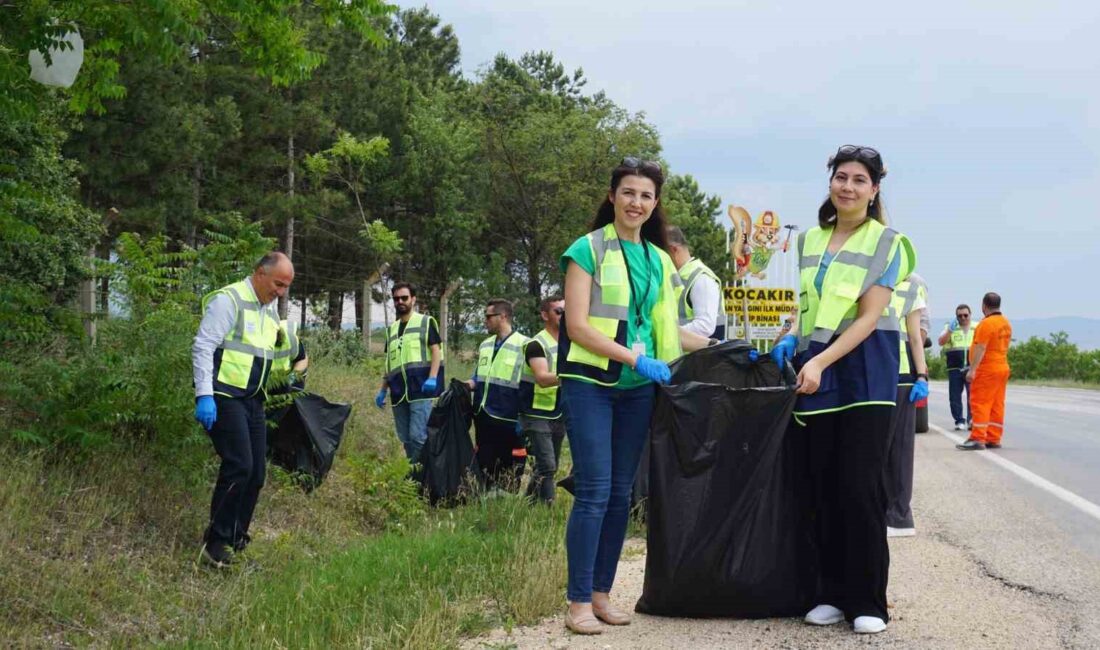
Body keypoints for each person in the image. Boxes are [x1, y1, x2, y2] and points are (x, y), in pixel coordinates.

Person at [558, 157, 711, 635]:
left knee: (623, 495)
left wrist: (723, 350)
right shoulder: (587, 249)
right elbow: (578, 326)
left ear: (655, 203)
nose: (636, 203)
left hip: (638, 390)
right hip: (590, 385)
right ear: (612, 196)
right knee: (594, 491)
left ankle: (602, 594)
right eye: (628, 192)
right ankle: (577, 600)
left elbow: (667, 330)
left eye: (646, 195)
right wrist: (632, 358)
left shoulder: (660, 259)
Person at [771, 145, 912, 635]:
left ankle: (868, 600)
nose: (847, 187)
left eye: (859, 180)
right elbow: (808, 306)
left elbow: (870, 316)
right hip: (815, 371)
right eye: (841, 177)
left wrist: (819, 361)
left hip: (865, 374)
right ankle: (829, 593)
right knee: (820, 485)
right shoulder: (810, 240)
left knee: (859, 488)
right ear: (830, 182)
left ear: (874, 191)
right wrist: (792, 336)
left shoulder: (888, 241)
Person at [192, 252, 294, 567]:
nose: (281, 292)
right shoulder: (229, 300)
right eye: (278, 284)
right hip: (224, 395)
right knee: (239, 465)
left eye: (286, 287)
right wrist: (204, 395)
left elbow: (267, 354)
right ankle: (215, 543)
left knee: (257, 473)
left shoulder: (269, 311)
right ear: (259, 274)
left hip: (253, 399)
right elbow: (204, 345)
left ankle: (236, 541)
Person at [375, 282, 444, 463]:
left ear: (413, 299)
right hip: (398, 392)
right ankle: (412, 474)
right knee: (405, 437)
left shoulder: (425, 322)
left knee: (418, 436)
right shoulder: (391, 330)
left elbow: (436, 350)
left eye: (404, 298)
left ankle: (422, 477)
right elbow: (389, 363)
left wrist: (432, 378)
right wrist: (383, 390)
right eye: (396, 299)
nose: (400, 302)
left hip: (420, 389)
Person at [466, 299, 529, 491]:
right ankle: (485, 494)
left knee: (509, 461)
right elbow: (479, 376)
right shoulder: (485, 345)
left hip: (508, 416)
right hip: (483, 413)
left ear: (503, 316)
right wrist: (466, 385)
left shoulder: (524, 344)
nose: (485, 320)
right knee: (485, 458)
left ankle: (506, 497)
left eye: (488, 316)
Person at [885, 270, 929, 537]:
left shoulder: (913, 286)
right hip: (874, 374)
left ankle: (900, 517)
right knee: (878, 447)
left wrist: (922, 374)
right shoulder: (867, 278)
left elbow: (916, 337)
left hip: (899, 375)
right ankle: (882, 512)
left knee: (899, 448)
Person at [519, 295, 567, 505]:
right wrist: (572, 377)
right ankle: (548, 506)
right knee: (548, 465)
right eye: (558, 312)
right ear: (545, 315)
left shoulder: (570, 341)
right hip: (536, 412)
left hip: (559, 411)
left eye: (566, 311)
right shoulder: (536, 344)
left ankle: (529, 504)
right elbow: (542, 378)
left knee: (549, 464)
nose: (563, 316)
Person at [957, 292, 1013, 450]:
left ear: (984, 305)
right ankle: (993, 437)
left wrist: (972, 370)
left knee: (980, 402)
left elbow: (981, 347)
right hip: (1001, 367)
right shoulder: (1005, 323)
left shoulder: (986, 324)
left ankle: (978, 438)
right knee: (996, 403)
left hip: (987, 369)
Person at [666, 225, 727, 339]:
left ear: (673, 250)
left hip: (701, 356)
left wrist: (664, 334)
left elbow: (705, 326)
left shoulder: (701, 279)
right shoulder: (677, 277)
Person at [938, 304, 977, 430]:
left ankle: (971, 420)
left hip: (972, 366)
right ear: (956, 316)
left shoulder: (977, 327)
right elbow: (941, 342)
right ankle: (959, 420)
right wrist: (949, 330)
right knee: (955, 396)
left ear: (970, 315)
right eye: (960, 316)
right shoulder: (950, 327)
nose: (963, 318)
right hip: (954, 366)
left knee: (973, 395)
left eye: (966, 315)